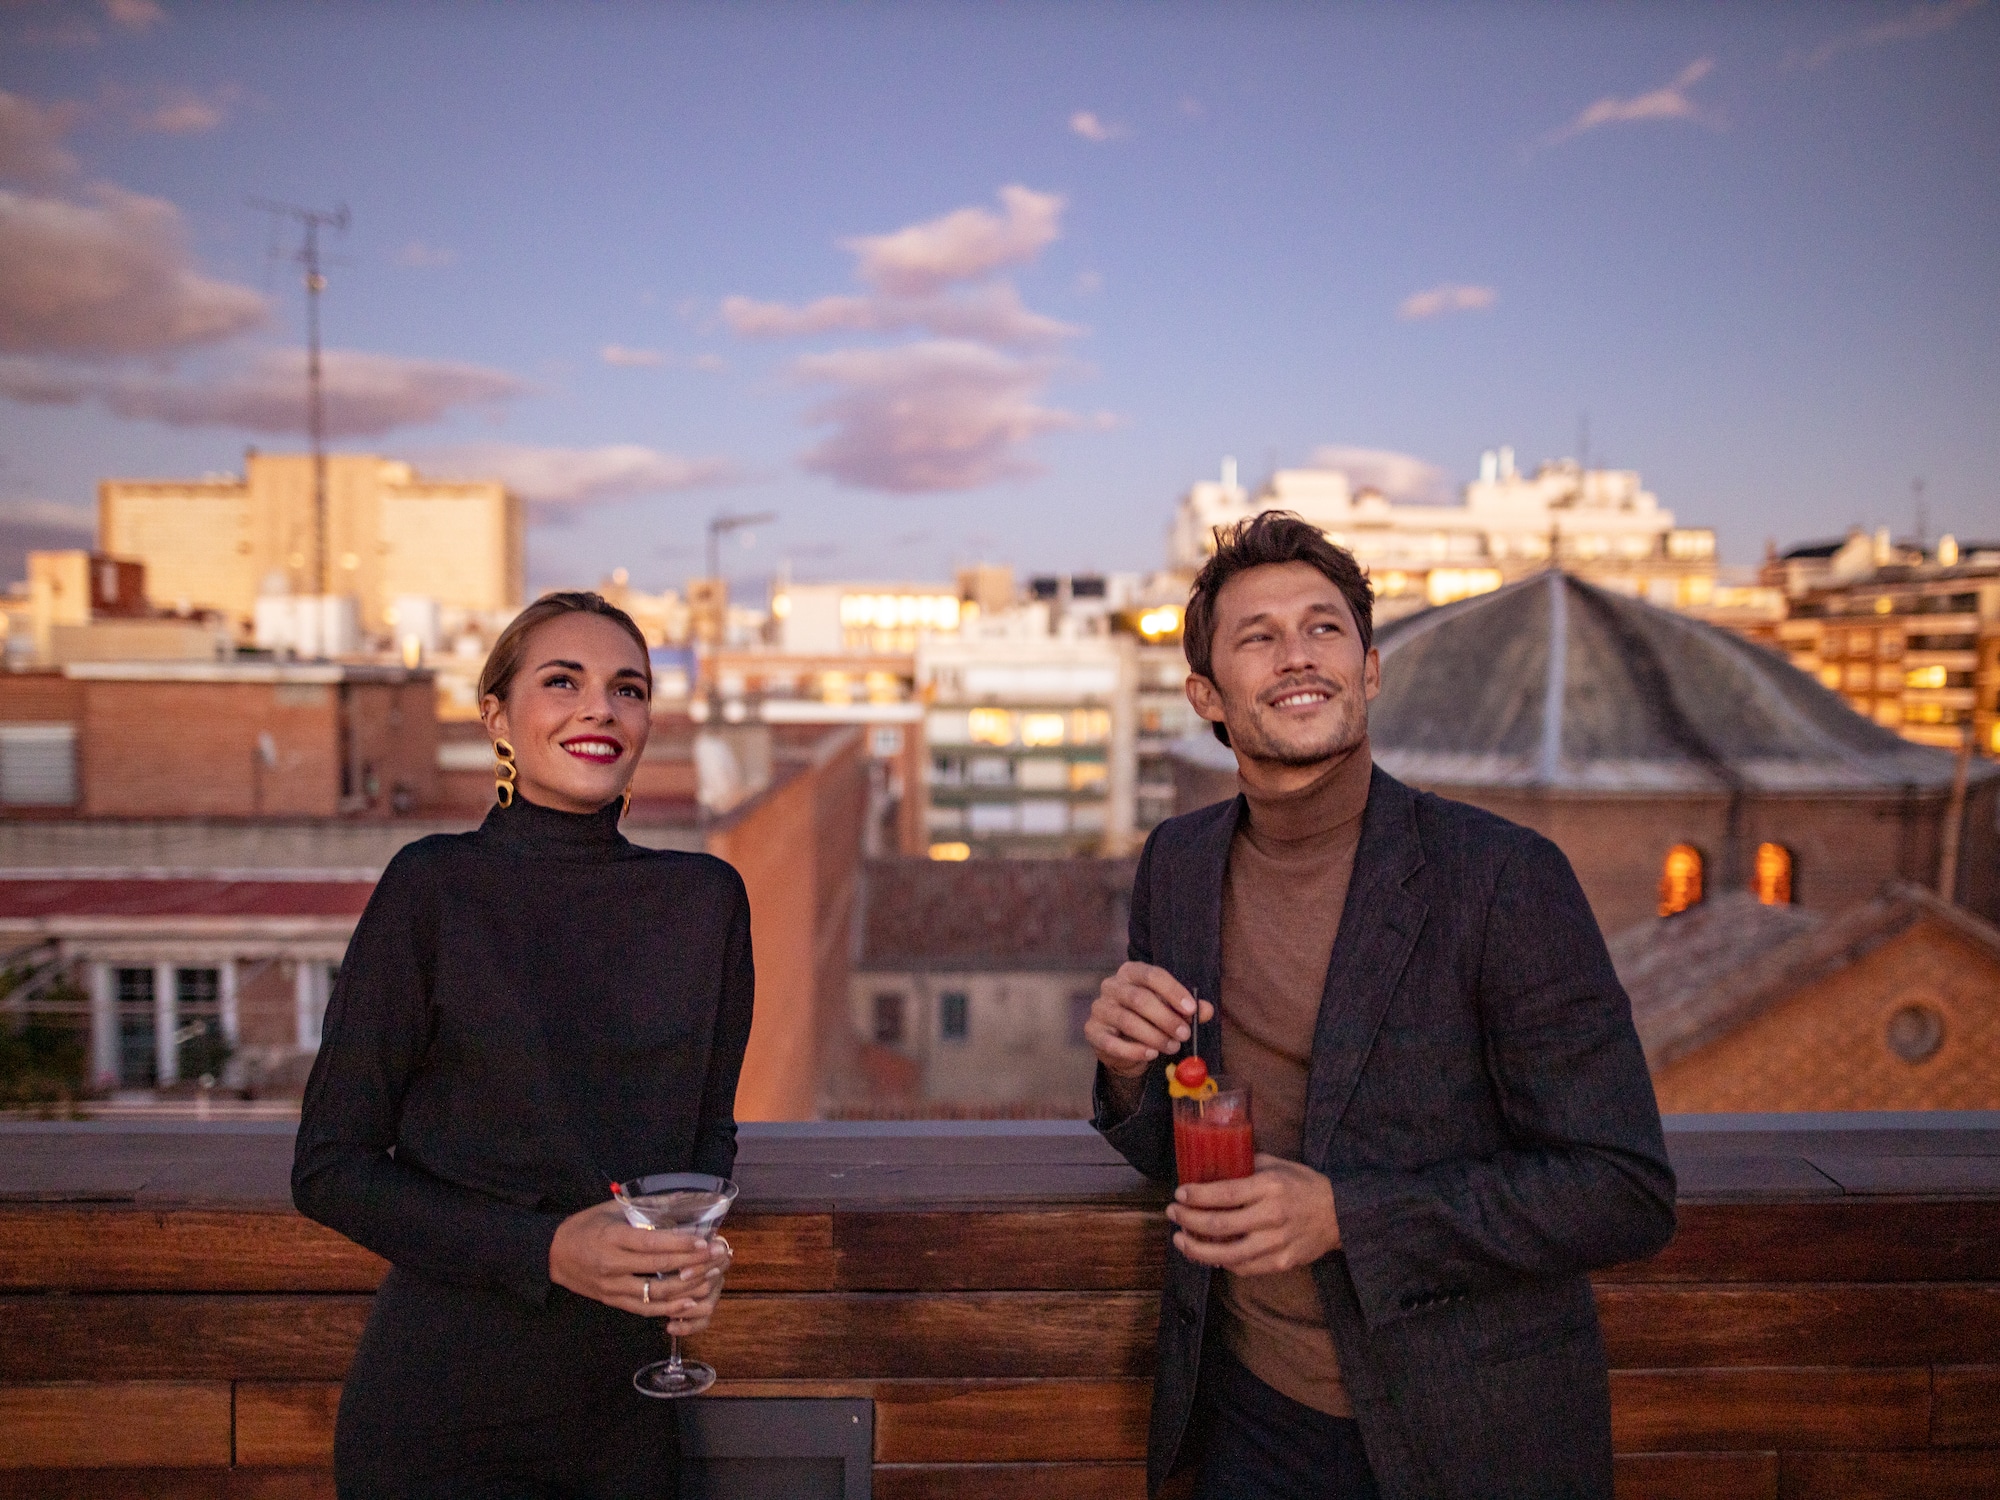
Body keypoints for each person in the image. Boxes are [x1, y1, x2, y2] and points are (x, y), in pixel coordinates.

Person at [1085, 513, 1676, 1500]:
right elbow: (1182, 1145)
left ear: (1367, 669)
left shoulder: (1499, 878)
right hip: (1247, 1414)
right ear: (1205, 697)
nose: (1296, 656)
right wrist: (1124, 1067)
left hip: (1465, 1435)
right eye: (1256, 637)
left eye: (1324, 629)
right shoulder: (1177, 866)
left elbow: (1622, 1190)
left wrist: (1345, 1217)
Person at [293, 591, 756, 1499]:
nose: (600, 708)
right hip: (442, 1413)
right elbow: (329, 1167)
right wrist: (546, 1249)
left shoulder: (707, 900)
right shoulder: (432, 890)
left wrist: (697, 1252)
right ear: (497, 716)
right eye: (562, 681)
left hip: (624, 1410)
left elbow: (706, 1136)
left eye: (629, 689)